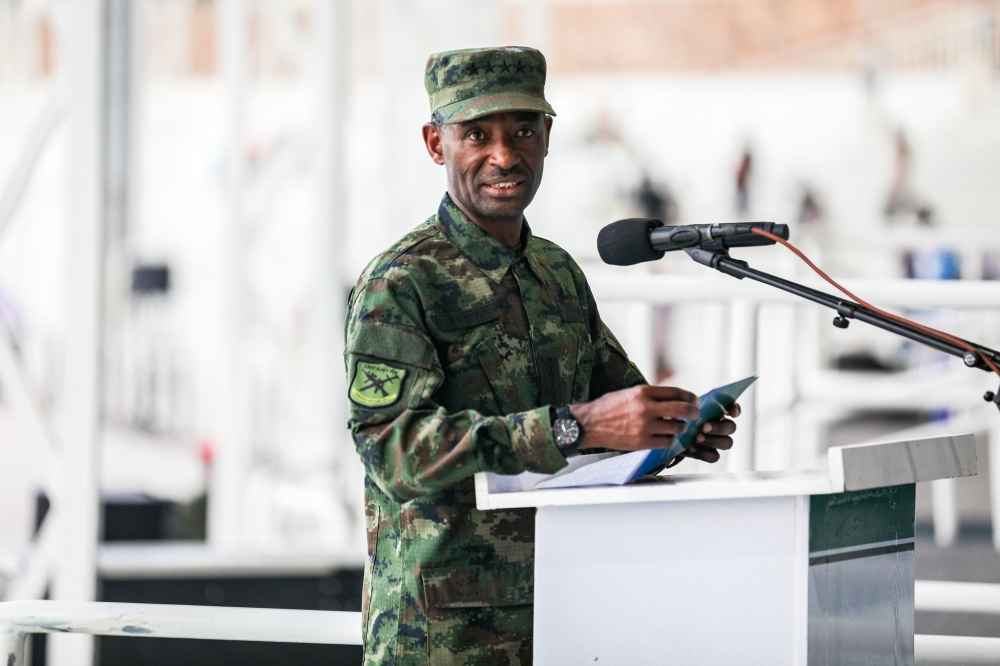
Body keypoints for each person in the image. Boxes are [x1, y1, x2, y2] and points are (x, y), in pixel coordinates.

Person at [344, 46, 741, 666]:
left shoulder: (557, 273)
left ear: (548, 137)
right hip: (443, 633)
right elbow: (393, 451)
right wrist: (572, 428)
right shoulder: (401, 283)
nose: (504, 156)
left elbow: (619, 411)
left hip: (568, 611)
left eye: (523, 131)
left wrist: (676, 427)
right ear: (434, 143)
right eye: (477, 134)